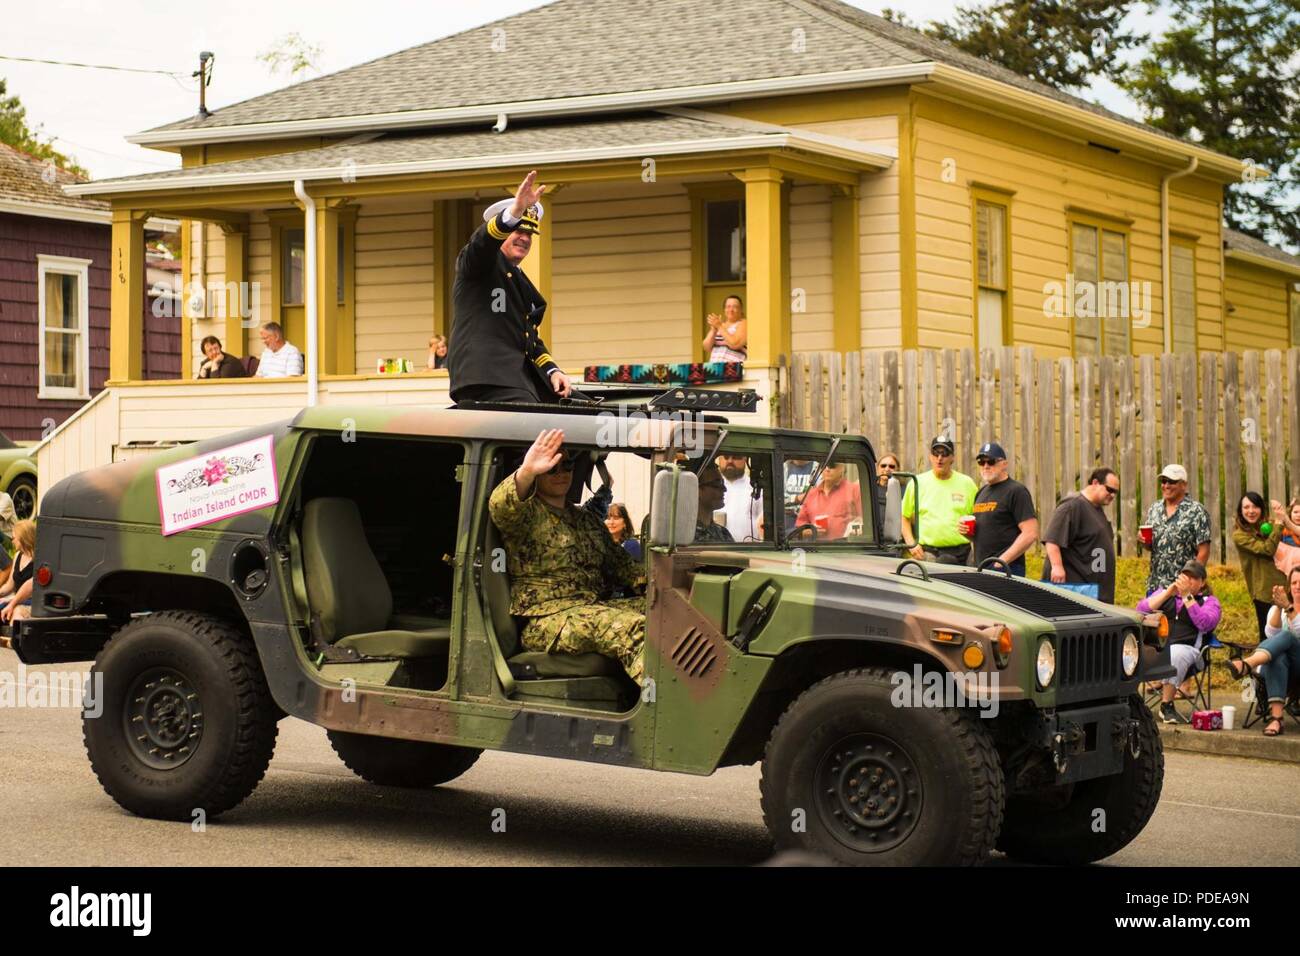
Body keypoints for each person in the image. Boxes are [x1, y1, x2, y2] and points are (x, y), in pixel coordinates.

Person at [488, 429, 645, 683]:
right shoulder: (526, 516)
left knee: (665, 616)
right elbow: (501, 507)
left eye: (568, 465)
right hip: (544, 620)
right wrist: (527, 471)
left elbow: (624, 567)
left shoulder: (586, 521)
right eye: (552, 468)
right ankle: (667, 712)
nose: (561, 474)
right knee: (635, 630)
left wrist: (668, 587)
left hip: (590, 608)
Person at [448, 170, 573, 404]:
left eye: (529, 233)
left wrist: (552, 371)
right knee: (535, 420)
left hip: (516, 377)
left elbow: (528, 338)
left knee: (574, 405)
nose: (524, 238)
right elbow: (481, 244)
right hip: (486, 377)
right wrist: (513, 212)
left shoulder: (521, 281)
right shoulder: (480, 263)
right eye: (518, 230)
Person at [1136, 559, 1222, 724]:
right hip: (1157, 649)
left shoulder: (1210, 602)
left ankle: (1166, 705)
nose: (1187, 580)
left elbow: (1205, 623)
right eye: (1185, 576)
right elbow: (1140, 610)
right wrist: (1167, 593)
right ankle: (1131, 706)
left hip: (1190, 651)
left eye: (1193, 578)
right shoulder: (1165, 594)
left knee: (1175, 653)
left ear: (1202, 583)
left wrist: (1187, 598)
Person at [1227, 566, 1300, 736]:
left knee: (1288, 637)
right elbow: (1271, 635)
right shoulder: (1281, 607)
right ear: (1289, 586)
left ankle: (1247, 664)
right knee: (1277, 657)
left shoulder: (1289, 607)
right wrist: (1279, 607)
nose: (1297, 586)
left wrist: (1289, 608)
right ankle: (1276, 719)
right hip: (1281, 667)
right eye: (1294, 582)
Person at [1042, 468, 1119, 603]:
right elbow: (1052, 539)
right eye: (1110, 490)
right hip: (1075, 590)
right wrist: (1057, 567)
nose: (1112, 495)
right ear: (1095, 483)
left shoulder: (1096, 509)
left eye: (1115, 492)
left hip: (1093, 590)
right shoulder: (1073, 505)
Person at [901, 436, 978, 564]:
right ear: (930, 456)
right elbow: (904, 517)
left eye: (945, 453)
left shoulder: (967, 483)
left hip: (963, 553)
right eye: (936, 453)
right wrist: (911, 544)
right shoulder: (917, 483)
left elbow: (980, 517)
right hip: (929, 554)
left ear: (952, 457)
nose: (939, 458)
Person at [971, 441, 1038, 575]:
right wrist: (967, 533)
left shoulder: (1016, 491)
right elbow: (983, 534)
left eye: (991, 461)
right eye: (981, 462)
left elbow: (1030, 533)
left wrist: (1001, 562)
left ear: (1004, 464)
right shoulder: (981, 492)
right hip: (980, 568)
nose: (985, 466)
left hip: (1007, 569)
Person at [1143, 463, 1210, 594]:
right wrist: (1144, 541)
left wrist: (1191, 581)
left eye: (1172, 482)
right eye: (1163, 481)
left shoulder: (1197, 511)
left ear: (1184, 485)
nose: (1166, 485)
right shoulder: (1154, 509)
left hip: (1181, 588)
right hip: (1155, 586)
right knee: (1154, 615)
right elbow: (1150, 546)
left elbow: (1204, 551)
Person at [1232, 492, 1287, 643]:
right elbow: (1267, 549)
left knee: (1290, 631)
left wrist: (1283, 515)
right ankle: (1262, 665)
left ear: (1262, 509)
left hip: (1287, 586)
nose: (1251, 511)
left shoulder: (1268, 526)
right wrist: (1278, 525)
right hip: (1264, 592)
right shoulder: (1240, 536)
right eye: (1246, 507)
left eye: (1255, 506)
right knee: (1268, 635)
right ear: (1240, 511)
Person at [795, 459, 862, 539]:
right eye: (823, 465)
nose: (827, 469)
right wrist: (811, 531)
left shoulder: (854, 490)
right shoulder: (811, 495)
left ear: (842, 468)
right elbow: (799, 530)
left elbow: (866, 521)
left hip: (846, 548)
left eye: (832, 465)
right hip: (818, 549)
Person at [717, 452, 764, 543]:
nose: (730, 461)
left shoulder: (756, 488)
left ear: (745, 459)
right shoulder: (711, 487)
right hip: (715, 551)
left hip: (748, 551)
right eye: (726, 457)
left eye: (736, 457)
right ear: (719, 459)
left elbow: (763, 525)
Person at [0, 519, 36, 623]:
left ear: (23, 538)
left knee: (15, 612)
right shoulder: (17, 556)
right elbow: (10, 585)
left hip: (30, 601)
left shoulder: (39, 558)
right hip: (16, 599)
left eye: (14, 538)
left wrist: (13, 601)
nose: (12, 540)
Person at [694, 463, 735, 544]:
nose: (724, 489)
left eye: (723, 483)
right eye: (717, 484)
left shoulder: (723, 533)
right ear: (696, 489)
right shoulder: (684, 536)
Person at [701, 295, 747, 363]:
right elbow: (706, 347)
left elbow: (735, 343)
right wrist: (714, 330)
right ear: (724, 310)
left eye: (735, 307)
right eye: (728, 306)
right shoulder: (721, 325)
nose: (731, 310)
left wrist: (719, 327)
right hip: (715, 368)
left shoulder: (744, 323)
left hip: (733, 368)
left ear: (741, 310)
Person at [782, 458, 817, 533]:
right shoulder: (783, 468)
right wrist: (796, 498)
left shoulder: (817, 467)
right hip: (787, 520)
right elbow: (777, 497)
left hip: (809, 520)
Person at [1272, 499, 1300, 578]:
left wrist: (1286, 520)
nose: (1298, 515)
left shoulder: (1292, 526)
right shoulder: (1284, 529)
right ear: (1290, 513)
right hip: (1286, 563)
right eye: (1295, 512)